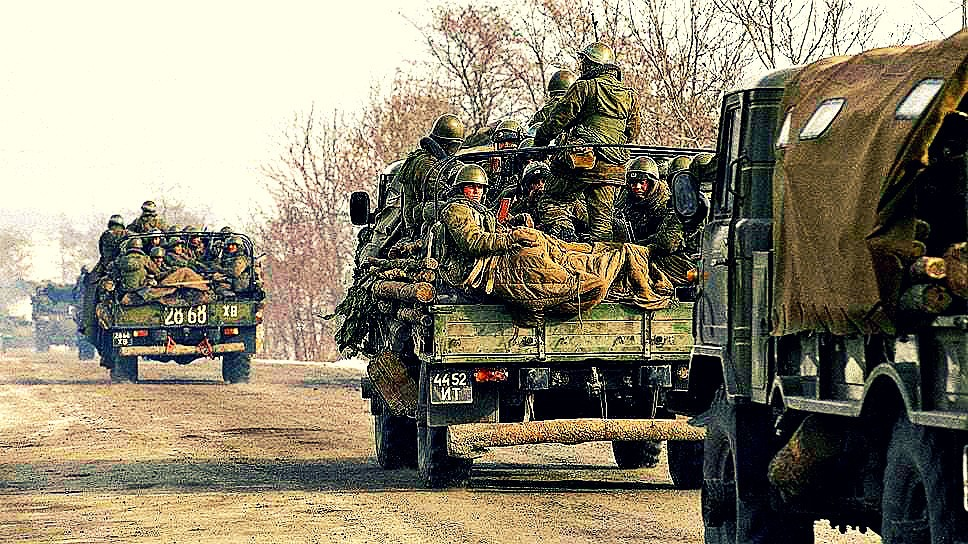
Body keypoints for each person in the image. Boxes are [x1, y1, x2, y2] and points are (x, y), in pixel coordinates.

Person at [534, 42, 641, 242]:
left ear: (592, 64)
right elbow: (633, 131)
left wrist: (539, 143)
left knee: (551, 200)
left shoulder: (584, 87)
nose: (581, 66)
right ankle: (601, 263)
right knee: (602, 225)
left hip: (582, 163)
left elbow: (557, 120)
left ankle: (564, 232)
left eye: (584, 61)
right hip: (614, 168)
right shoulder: (629, 95)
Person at [437, 164, 538, 287]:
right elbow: (473, 241)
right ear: (461, 188)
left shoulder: (479, 209)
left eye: (479, 187)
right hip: (467, 269)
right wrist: (509, 239)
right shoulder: (457, 209)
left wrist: (515, 224)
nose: (476, 191)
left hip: (485, 262)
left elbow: (496, 229)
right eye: (471, 186)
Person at [615, 157, 694, 285]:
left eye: (642, 182)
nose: (637, 187)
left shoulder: (668, 204)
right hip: (649, 247)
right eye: (633, 183)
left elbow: (666, 243)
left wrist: (638, 247)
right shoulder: (628, 199)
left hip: (676, 258)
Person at [397, 114, 466, 241]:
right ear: (447, 144)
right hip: (419, 230)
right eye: (455, 146)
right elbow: (438, 194)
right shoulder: (426, 163)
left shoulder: (433, 160)